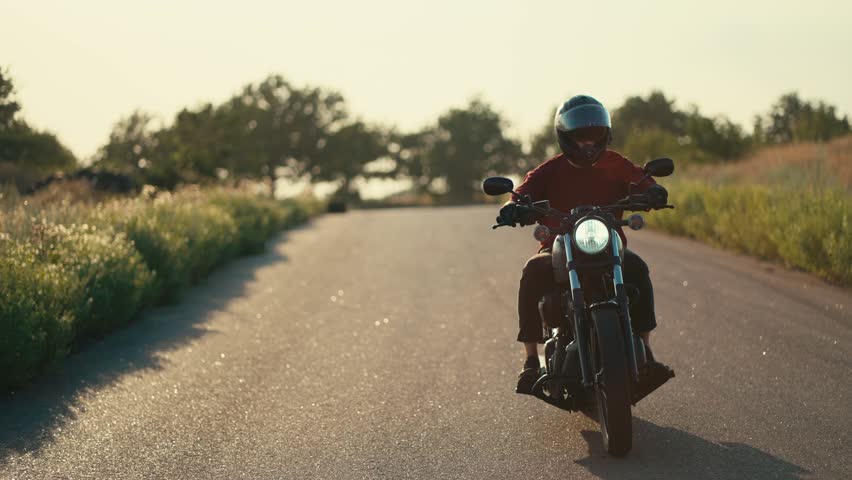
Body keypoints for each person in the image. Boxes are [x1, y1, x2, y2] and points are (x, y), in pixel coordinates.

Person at [497, 95, 669, 395]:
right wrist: (514, 207)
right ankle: (530, 361)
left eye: (594, 136)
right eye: (580, 136)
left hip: (607, 247)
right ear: (566, 137)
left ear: (605, 134)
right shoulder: (549, 170)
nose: (588, 143)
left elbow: (642, 181)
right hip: (559, 246)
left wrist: (654, 192)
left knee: (637, 268)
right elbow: (520, 193)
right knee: (533, 271)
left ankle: (645, 349)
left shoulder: (617, 164)